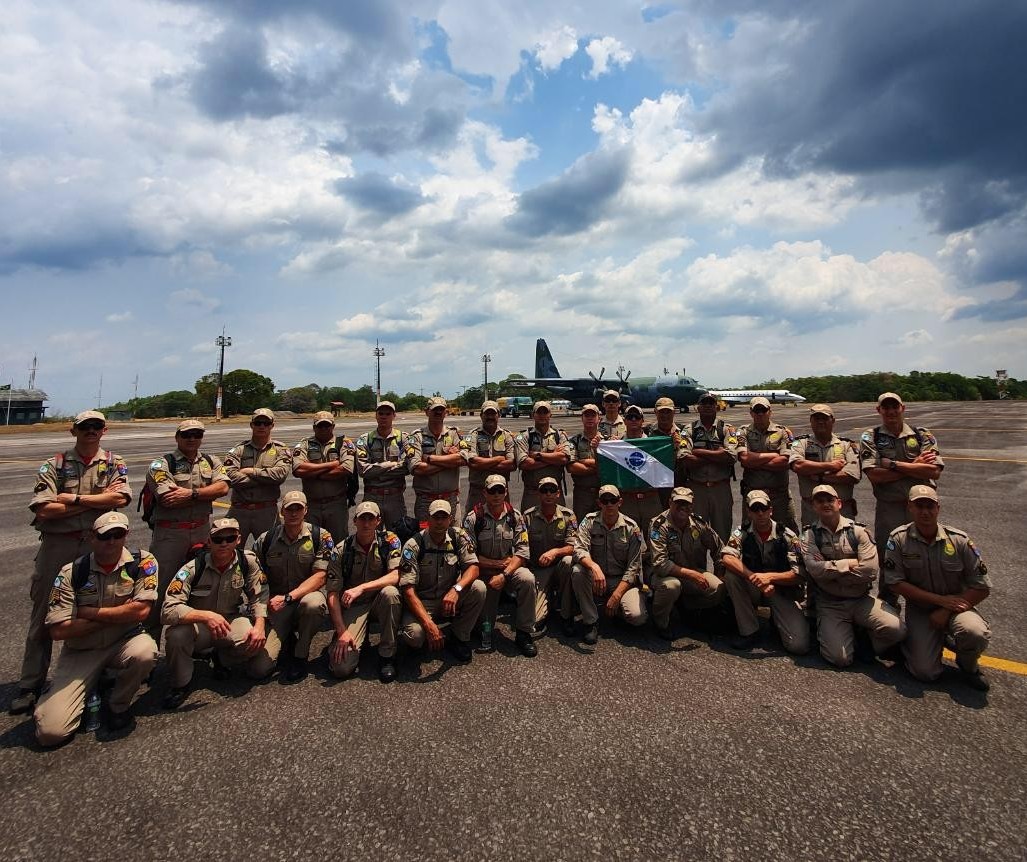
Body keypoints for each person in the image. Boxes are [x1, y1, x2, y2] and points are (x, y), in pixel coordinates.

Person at [13, 410, 131, 716]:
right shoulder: (55, 464)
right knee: (45, 614)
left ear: (104, 430)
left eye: (96, 426)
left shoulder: (114, 463)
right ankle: (30, 683)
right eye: (84, 426)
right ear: (73, 430)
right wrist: (97, 500)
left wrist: (72, 500)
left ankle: (98, 669)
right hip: (59, 545)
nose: (90, 431)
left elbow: (120, 500)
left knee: (100, 605)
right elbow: (43, 511)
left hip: (100, 546)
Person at [33, 512, 157, 745]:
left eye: (117, 534)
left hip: (123, 641)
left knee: (146, 652)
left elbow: (141, 612)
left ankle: (118, 704)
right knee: (51, 734)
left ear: (126, 535)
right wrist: (118, 613)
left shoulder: (142, 563)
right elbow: (59, 631)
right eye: (104, 536)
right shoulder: (72, 573)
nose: (111, 541)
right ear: (92, 537)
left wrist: (89, 613)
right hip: (83, 651)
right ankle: (63, 692)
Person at [883, 486, 991, 690]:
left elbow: (982, 586)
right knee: (925, 673)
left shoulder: (959, 540)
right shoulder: (898, 539)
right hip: (921, 610)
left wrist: (945, 609)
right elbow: (894, 582)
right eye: (919, 506)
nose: (925, 511)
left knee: (974, 631)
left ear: (938, 508)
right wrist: (938, 601)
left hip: (957, 607)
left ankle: (968, 666)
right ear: (910, 508)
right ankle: (925, 641)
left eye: (930, 506)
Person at [161, 518, 271, 709]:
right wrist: (206, 616)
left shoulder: (247, 561)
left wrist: (260, 625)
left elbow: (260, 595)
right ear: (209, 541)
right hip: (199, 626)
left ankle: (221, 658)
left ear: (238, 539)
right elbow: (168, 609)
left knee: (252, 640)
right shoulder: (193, 568)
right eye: (218, 539)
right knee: (177, 635)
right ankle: (181, 684)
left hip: (229, 621)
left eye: (230, 538)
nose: (224, 543)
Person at [799, 485, 904, 667]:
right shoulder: (809, 535)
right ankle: (838, 632)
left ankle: (868, 644)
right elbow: (814, 570)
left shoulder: (859, 532)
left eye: (830, 500)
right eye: (820, 501)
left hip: (860, 599)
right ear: (813, 506)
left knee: (896, 630)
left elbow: (870, 571)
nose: (825, 504)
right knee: (840, 659)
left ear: (839, 503)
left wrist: (830, 571)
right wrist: (850, 563)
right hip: (830, 603)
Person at [144, 419, 230, 643]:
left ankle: (196, 644)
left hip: (202, 530)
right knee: (159, 592)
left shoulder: (211, 461)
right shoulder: (161, 464)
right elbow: (167, 497)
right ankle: (149, 648)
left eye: (197, 434)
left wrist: (189, 494)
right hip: (170, 536)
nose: (192, 439)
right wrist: (205, 493)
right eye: (187, 435)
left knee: (200, 587)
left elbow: (223, 487)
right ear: (177, 437)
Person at [860, 392, 944, 594]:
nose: (890, 411)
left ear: (902, 408)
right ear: (878, 410)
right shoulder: (871, 436)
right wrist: (915, 465)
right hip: (890, 508)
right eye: (886, 407)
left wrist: (895, 465)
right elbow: (875, 475)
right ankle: (888, 602)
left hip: (922, 507)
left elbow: (934, 471)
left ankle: (925, 603)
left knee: (925, 555)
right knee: (889, 556)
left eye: (894, 407)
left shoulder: (922, 435)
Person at [253, 491, 333, 681]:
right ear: (282, 511)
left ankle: (300, 654)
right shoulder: (266, 539)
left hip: (304, 597)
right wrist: (260, 611)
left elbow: (320, 576)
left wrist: (290, 597)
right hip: (277, 605)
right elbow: (254, 577)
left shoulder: (320, 536)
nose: (294, 513)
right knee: (259, 669)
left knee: (314, 604)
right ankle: (286, 638)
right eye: (290, 509)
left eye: (298, 508)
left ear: (306, 510)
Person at [721, 490, 809, 654]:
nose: (760, 513)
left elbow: (800, 574)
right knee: (732, 576)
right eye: (755, 509)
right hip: (754, 587)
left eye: (764, 508)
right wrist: (755, 578)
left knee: (799, 646)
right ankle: (749, 631)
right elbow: (727, 558)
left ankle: (776, 622)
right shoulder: (742, 532)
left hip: (781, 589)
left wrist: (769, 577)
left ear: (771, 510)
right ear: (749, 512)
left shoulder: (787, 536)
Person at [398, 500, 486, 663]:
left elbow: (474, 568)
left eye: (443, 517)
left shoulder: (457, 536)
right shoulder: (414, 544)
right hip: (423, 601)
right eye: (435, 517)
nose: (439, 522)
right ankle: (426, 636)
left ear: (450, 519)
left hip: (449, 596)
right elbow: (408, 591)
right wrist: (429, 625)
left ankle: (459, 636)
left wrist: (456, 590)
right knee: (415, 636)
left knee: (478, 588)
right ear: (428, 519)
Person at [325, 502, 403, 683]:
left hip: (379, 601)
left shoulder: (390, 541)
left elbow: (395, 576)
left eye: (371, 518)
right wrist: (341, 631)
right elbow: (332, 594)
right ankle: (353, 636)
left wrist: (362, 587)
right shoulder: (341, 549)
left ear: (378, 521)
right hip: (355, 606)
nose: (366, 523)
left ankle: (387, 656)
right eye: (362, 518)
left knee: (391, 593)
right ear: (354, 521)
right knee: (341, 668)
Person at [462, 475, 537, 657]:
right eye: (492, 491)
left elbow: (522, 552)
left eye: (500, 490)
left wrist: (505, 574)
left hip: (507, 571)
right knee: (484, 627)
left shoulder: (515, 517)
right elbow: (468, 556)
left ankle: (524, 633)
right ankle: (478, 628)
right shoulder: (474, 518)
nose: (496, 495)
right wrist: (496, 564)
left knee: (527, 578)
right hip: (484, 574)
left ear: (506, 492)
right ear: (484, 493)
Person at [570, 484, 648, 645]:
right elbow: (579, 549)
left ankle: (619, 611)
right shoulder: (589, 521)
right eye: (605, 501)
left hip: (621, 580)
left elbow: (634, 567)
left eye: (613, 500)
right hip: (597, 578)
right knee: (578, 571)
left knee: (637, 617)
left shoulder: (631, 527)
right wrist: (594, 567)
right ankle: (590, 621)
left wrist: (617, 595)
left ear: (620, 502)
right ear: (599, 503)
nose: (609, 504)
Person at [649, 488, 726, 640]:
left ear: (692, 506)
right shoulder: (658, 525)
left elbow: (719, 549)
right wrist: (693, 575)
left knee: (718, 588)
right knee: (672, 586)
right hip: (663, 575)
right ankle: (661, 622)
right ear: (670, 503)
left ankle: (687, 607)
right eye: (678, 503)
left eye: (686, 504)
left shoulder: (698, 524)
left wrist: (720, 574)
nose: (683, 507)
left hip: (692, 572)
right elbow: (660, 564)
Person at [223, 408, 292, 545]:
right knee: (230, 553)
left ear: (272, 425)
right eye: (258, 423)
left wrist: (250, 471)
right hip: (239, 511)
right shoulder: (239, 449)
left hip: (266, 511)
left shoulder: (281, 449)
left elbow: (280, 475)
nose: (262, 426)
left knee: (270, 552)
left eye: (266, 423)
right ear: (251, 425)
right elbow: (230, 476)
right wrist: (265, 479)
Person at [524, 475, 578, 636]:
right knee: (535, 619)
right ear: (538, 494)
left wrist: (555, 552)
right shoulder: (528, 517)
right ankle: (548, 602)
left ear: (558, 494)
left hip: (560, 567)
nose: (548, 494)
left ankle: (566, 614)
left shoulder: (569, 516)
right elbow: (521, 547)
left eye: (552, 490)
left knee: (569, 562)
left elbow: (573, 546)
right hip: (538, 570)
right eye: (544, 491)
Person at [789, 405, 860, 528]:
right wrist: (831, 466)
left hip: (842, 510)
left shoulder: (847, 445)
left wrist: (820, 477)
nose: (821, 422)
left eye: (825, 418)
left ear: (833, 420)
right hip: (811, 511)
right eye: (816, 418)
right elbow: (798, 465)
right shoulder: (801, 443)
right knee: (812, 544)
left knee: (845, 545)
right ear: (811, 421)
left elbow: (852, 475)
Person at [683, 392, 738, 542]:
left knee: (722, 537)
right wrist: (717, 454)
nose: (707, 406)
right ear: (698, 408)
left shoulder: (726, 429)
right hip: (697, 489)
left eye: (711, 403)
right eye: (704, 403)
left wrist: (699, 451)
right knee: (695, 537)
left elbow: (731, 457)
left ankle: (722, 565)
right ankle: (699, 566)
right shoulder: (689, 429)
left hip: (720, 490)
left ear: (717, 407)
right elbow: (685, 458)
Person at [736, 397, 798, 532]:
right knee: (750, 535)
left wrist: (755, 462)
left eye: (763, 410)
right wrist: (774, 455)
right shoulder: (743, 432)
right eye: (756, 410)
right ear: (751, 413)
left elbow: (784, 461)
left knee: (786, 533)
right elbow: (744, 458)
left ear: (770, 412)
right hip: (753, 496)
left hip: (779, 497)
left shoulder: (783, 432)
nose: (760, 414)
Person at [292, 411, 355, 541]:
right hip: (312, 505)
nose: (324, 429)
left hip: (336, 504)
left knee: (339, 543)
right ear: (314, 427)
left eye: (327, 425)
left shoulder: (343, 443)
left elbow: (346, 469)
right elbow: (298, 469)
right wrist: (331, 465)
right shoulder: (305, 444)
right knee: (310, 543)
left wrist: (313, 473)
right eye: (320, 426)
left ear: (333, 426)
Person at [355, 401, 416, 530]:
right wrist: (389, 465)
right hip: (372, 496)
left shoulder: (403, 438)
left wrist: (376, 470)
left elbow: (407, 467)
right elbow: (362, 470)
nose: (384, 416)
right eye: (381, 413)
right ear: (375, 415)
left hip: (395, 497)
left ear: (394, 415)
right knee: (370, 536)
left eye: (388, 413)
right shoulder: (365, 439)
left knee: (398, 535)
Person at [410, 396, 465, 523]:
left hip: (451, 500)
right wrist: (449, 461)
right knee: (425, 537)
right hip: (426, 502)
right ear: (426, 412)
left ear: (446, 412)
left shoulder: (454, 434)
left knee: (455, 536)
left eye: (441, 410)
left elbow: (463, 459)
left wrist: (429, 458)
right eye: (434, 409)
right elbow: (417, 468)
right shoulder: (417, 436)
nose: (438, 412)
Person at [616, 404, 665, 538]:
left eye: (636, 417)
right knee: (626, 542)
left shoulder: (655, 445)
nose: (633, 420)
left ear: (642, 421)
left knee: (656, 541)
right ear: (624, 420)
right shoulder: (615, 444)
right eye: (629, 417)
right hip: (627, 499)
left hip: (650, 498)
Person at [460, 400, 515, 512]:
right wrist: (499, 459)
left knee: (503, 525)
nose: (490, 417)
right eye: (487, 414)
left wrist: (483, 464)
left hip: (500, 492)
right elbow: (472, 462)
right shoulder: (473, 435)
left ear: (499, 415)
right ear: (481, 416)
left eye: (493, 414)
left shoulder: (507, 435)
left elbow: (512, 464)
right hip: (478, 491)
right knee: (474, 524)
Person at [514, 401, 569, 512]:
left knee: (558, 525)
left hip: (555, 492)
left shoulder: (560, 435)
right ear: (533, 414)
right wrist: (553, 456)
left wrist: (537, 455)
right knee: (529, 526)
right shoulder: (524, 436)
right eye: (539, 412)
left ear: (550, 415)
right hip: (532, 494)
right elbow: (525, 463)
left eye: (545, 412)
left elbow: (564, 459)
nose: (542, 415)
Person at [566, 403, 602, 522]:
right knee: (581, 528)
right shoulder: (574, 441)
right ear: (582, 418)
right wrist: (597, 467)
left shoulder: (607, 441)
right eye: (587, 415)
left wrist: (584, 461)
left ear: (599, 419)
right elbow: (572, 467)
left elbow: (609, 467)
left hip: (602, 492)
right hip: (582, 493)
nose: (590, 418)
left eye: (593, 415)